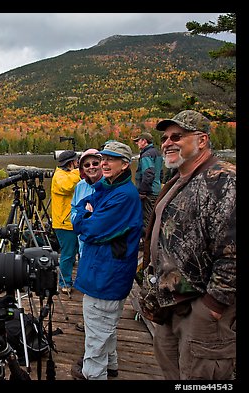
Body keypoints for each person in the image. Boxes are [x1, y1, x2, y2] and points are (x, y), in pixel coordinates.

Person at [141, 110, 236, 380]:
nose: (168, 142)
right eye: (165, 137)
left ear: (202, 140)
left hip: (201, 311)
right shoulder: (178, 180)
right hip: (171, 305)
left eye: (177, 136)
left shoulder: (223, 180)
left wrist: (212, 307)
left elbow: (232, 255)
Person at [70, 141, 142, 380]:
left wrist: (85, 216)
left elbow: (88, 230)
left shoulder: (123, 196)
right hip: (103, 273)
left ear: (125, 164)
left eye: (111, 159)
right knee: (105, 329)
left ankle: (93, 374)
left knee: (96, 337)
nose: (104, 163)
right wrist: (85, 212)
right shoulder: (108, 187)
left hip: (105, 276)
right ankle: (112, 366)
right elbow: (80, 208)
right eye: (103, 158)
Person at [70, 148, 103, 333]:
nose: (91, 167)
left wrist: (89, 215)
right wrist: (84, 216)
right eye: (87, 164)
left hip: (102, 246)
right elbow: (75, 211)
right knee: (87, 283)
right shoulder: (80, 187)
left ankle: (98, 324)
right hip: (83, 243)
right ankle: (88, 320)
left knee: (100, 284)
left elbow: (102, 219)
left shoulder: (109, 185)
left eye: (95, 163)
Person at [51, 149, 81, 295]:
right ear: (71, 163)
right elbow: (67, 186)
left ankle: (80, 281)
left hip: (73, 221)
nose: (79, 164)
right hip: (64, 223)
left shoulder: (69, 174)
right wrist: (78, 172)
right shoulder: (59, 176)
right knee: (68, 255)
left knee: (78, 252)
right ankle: (64, 283)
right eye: (77, 162)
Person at [132, 132, 163, 239]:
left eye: (138, 141)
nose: (137, 143)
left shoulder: (146, 154)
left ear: (144, 141)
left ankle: (148, 245)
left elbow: (149, 172)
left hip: (149, 193)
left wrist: (142, 191)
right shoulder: (157, 153)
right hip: (157, 190)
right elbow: (161, 172)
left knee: (147, 219)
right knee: (155, 217)